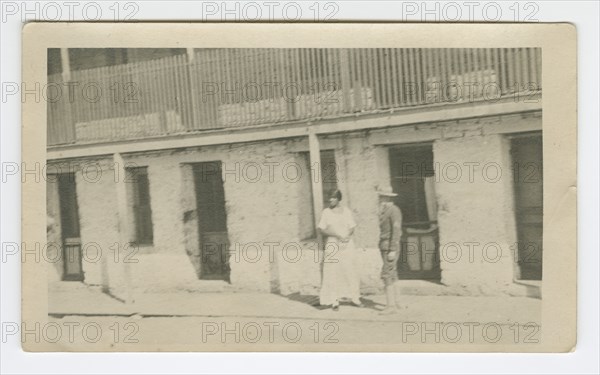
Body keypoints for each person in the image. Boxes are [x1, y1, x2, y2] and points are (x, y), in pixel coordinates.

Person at [317, 189, 362, 311]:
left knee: (350, 269)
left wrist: (347, 236)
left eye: (333, 198)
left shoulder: (346, 211)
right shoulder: (326, 212)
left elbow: (352, 226)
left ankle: (354, 298)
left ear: (338, 199)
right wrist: (336, 235)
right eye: (329, 198)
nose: (330, 200)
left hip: (346, 244)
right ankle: (333, 300)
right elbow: (321, 230)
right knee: (332, 271)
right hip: (332, 244)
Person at [377, 186, 403, 315]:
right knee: (393, 274)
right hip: (384, 246)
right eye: (380, 197)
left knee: (387, 274)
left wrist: (393, 249)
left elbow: (396, 231)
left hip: (390, 247)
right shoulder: (384, 210)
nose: (380, 199)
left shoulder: (394, 210)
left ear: (387, 198)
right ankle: (398, 303)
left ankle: (391, 306)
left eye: (382, 197)